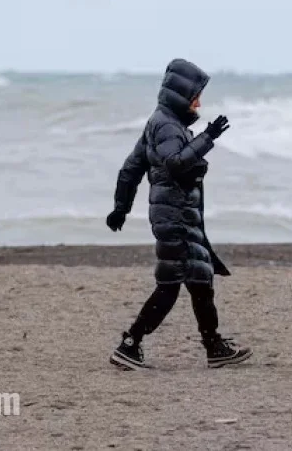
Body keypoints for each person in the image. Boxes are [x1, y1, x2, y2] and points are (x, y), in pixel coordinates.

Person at [104, 58, 253, 370]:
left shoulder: (158, 122)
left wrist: (120, 208)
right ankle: (130, 344)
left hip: (175, 217)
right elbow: (175, 163)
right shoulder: (168, 127)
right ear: (182, 97)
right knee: (171, 286)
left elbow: (130, 170)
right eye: (195, 97)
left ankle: (214, 347)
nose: (198, 103)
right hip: (176, 219)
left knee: (200, 279)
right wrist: (207, 138)